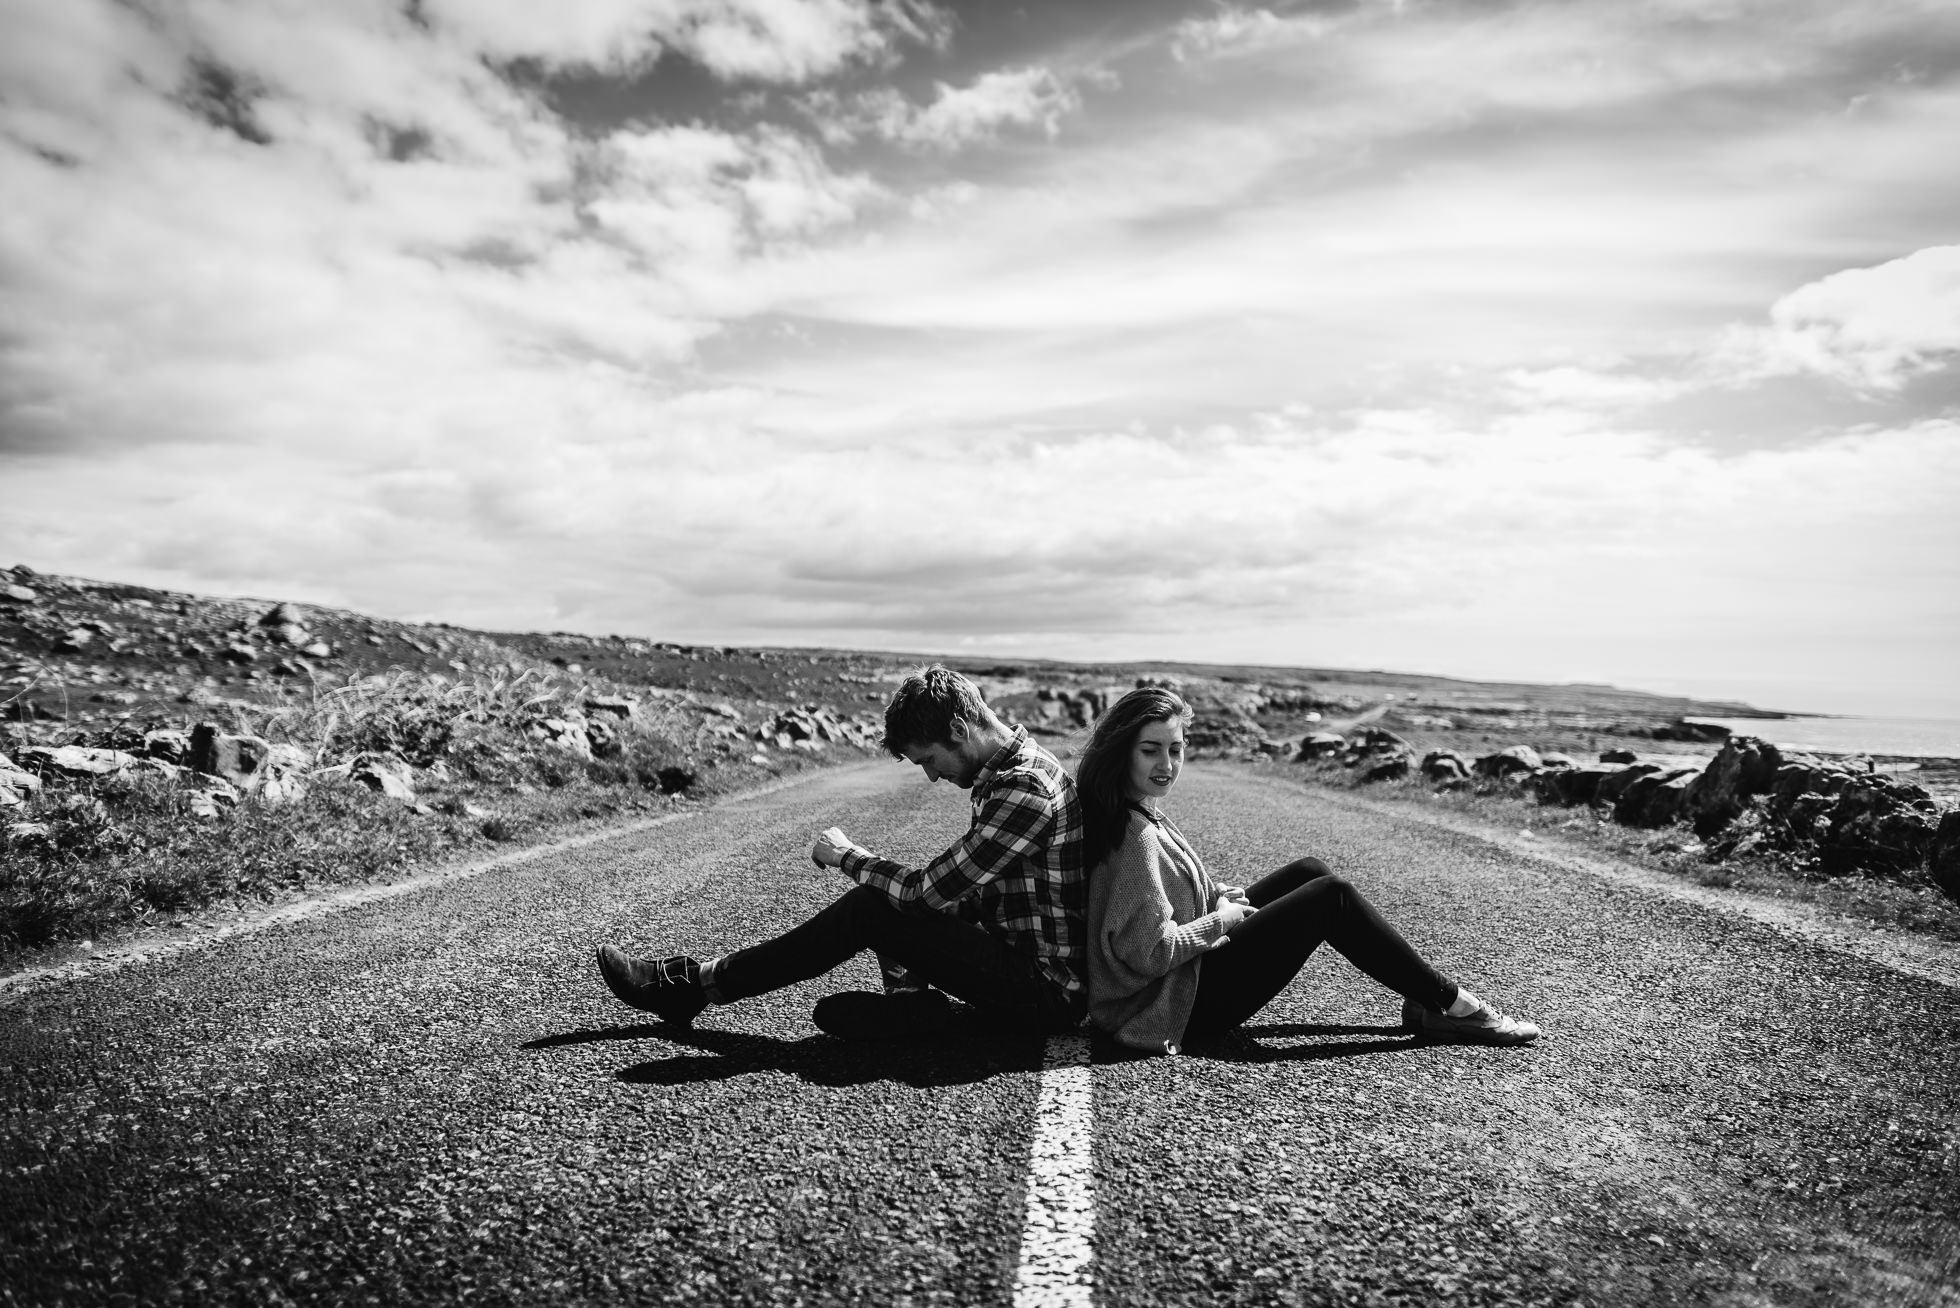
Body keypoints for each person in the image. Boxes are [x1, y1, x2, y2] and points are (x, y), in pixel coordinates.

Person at [596, 665, 1086, 1041]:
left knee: (880, 901)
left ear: (959, 728)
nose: (933, 777)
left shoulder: (1025, 789)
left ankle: (692, 986)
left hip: (1044, 992)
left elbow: (920, 896)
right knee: (887, 901)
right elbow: (978, 896)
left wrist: (848, 857)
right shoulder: (1007, 775)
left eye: (930, 761)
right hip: (1022, 968)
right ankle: (915, 1011)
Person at [1082, 685, 1540, 1055]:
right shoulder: (1133, 834)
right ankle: (1452, 1004)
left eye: (1175, 749)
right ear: (1123, 752)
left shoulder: (1137, 809)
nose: (1166, 765)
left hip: (1186, 976)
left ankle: (1427, 1002)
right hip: (1173, 1003)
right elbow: (1146, 952)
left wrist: (1217, 893)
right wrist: (1221, 919)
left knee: (1309, 870)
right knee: (1330, 895)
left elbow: (1166, 883)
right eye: (1150, 750)